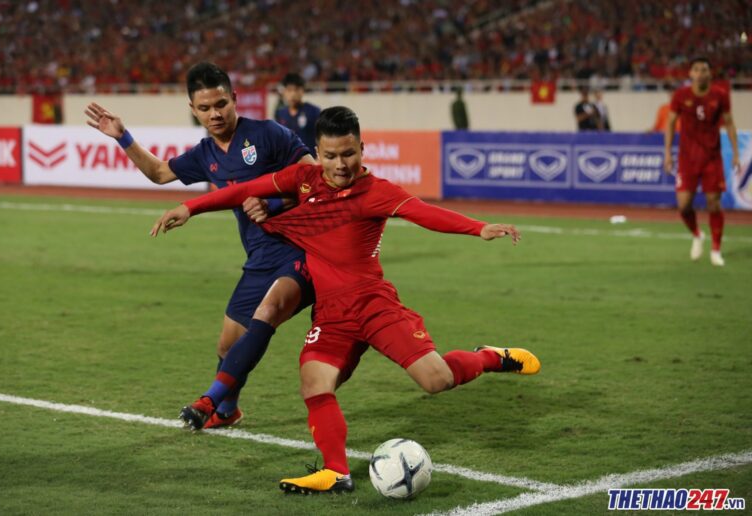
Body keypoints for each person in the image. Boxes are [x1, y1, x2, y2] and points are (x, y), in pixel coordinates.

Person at [151, 106, 541, 494]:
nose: (340, 164)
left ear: (362, 149)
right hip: (332, 315)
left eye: (349, 154)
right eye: (331, 156)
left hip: (374, 305)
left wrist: (478, 228)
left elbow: (423, 212)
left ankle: (489, 357)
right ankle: (336, 471)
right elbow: (243, 190)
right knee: (314, 383)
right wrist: (189, 207)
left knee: (437, 380)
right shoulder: (303, 180)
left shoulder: (377, 192)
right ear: (317, 153)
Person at [84, 62, 317, 429]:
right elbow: (160, 173)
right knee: (227, 346)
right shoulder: (206, 154)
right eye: (205, 108)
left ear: (234, 99)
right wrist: (123, 137)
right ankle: (228, 411)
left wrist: (275, 203)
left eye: (221, 104)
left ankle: (209, 400)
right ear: (193, 109)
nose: (215, 114)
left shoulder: (269, 134)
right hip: (259, 259)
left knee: (268, 312)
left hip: (301, 250)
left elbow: (317, 180)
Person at [663, 57, 740, 266]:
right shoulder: (681, 95)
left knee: (713, 203)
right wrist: (667, 152)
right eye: (696, 70)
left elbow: (730, 123)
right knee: (683, 205)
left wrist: (735, 153)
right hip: (687, 158)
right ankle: (697, 234)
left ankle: (716, 249)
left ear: (709, 74)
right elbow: (670, 123)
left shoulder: (720, 95)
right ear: (690, 74)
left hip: (711, 158)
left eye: (703, 70)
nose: (699, 73)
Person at [275, 73, 321, 156]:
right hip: (288, 161)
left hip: (310, 161)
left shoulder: (314, 112)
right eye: (289, 90)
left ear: (302, 91)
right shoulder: (280, 113)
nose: (293, 94)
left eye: (296, 90)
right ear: (284, 92)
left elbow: (322, 137)